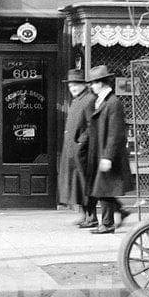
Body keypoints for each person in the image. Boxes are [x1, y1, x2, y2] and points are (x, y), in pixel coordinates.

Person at [84, 64, 133, 234]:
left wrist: (108, 157)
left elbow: (115, 132)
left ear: (102, 83)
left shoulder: (113, 103)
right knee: (103, 189)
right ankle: (115, 216)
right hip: (100, 152)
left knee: (104, 189)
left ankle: (107, 223)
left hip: (106, 153)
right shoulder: (103, 101)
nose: (91, 86)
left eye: (94, 83)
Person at [58, 68, 96, 227]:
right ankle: (84, 214)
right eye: (71, 85)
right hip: (72, 151)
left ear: (84, 85)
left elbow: (91, 125)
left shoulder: (89, 100)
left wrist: (81, 142)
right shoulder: (77, 100)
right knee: (76, 184)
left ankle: (91, 217)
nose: (73, 87)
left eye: (76, 84)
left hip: (83, 151)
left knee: (85, 184)